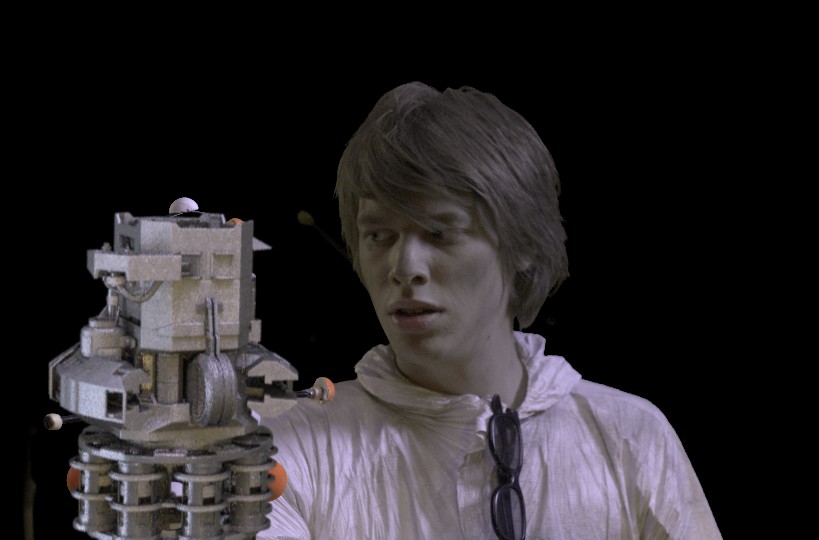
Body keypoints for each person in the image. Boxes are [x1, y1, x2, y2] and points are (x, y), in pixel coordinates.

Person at [257, 81, 722, 540]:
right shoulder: (288, 447)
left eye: (439, 233)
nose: (404, 268)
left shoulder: (629, 437)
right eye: (379, 235)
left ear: (521, 244)